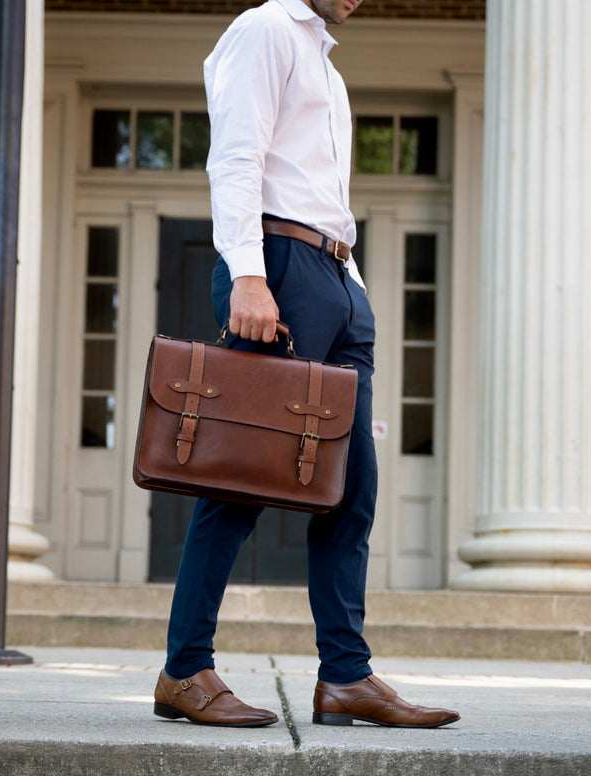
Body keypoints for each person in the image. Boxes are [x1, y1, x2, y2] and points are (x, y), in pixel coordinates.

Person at [151, 0, 460, 730]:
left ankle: (345, 675)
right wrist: (249, 275)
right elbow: (234, 156)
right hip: (280, 267)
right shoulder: (263, 30)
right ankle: (184, 668)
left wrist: (352, 294)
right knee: (238, 481)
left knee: (348, 491)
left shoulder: (322, 59)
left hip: (334, 279)